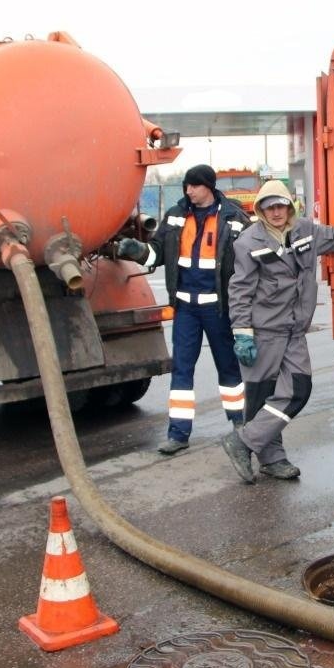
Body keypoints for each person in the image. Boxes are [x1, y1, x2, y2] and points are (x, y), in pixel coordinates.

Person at [221, 180, 334, 482]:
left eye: (280, 206)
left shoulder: (306, 230)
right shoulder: (248, 242)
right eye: (269, 207)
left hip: (293, 331)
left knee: (298, 390)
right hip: (263, 331)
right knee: (261, 397)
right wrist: (242, 332)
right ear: (261, 210)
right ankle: (272, 459)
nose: (276, 212)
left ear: (289, 206)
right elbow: (239, 290)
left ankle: (243, 441)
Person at [116, 164, 251, 455]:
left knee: (229, 369)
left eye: (193, 185)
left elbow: (250, 262)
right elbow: (157, 252)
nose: (188, 190)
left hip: (219, 308)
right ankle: (178, 434)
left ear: (208, 187)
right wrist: (137, 251)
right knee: (182, 371)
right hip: (186, 308)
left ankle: (242, 426)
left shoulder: (234, 218)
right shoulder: (176, 216)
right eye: (186, 186)